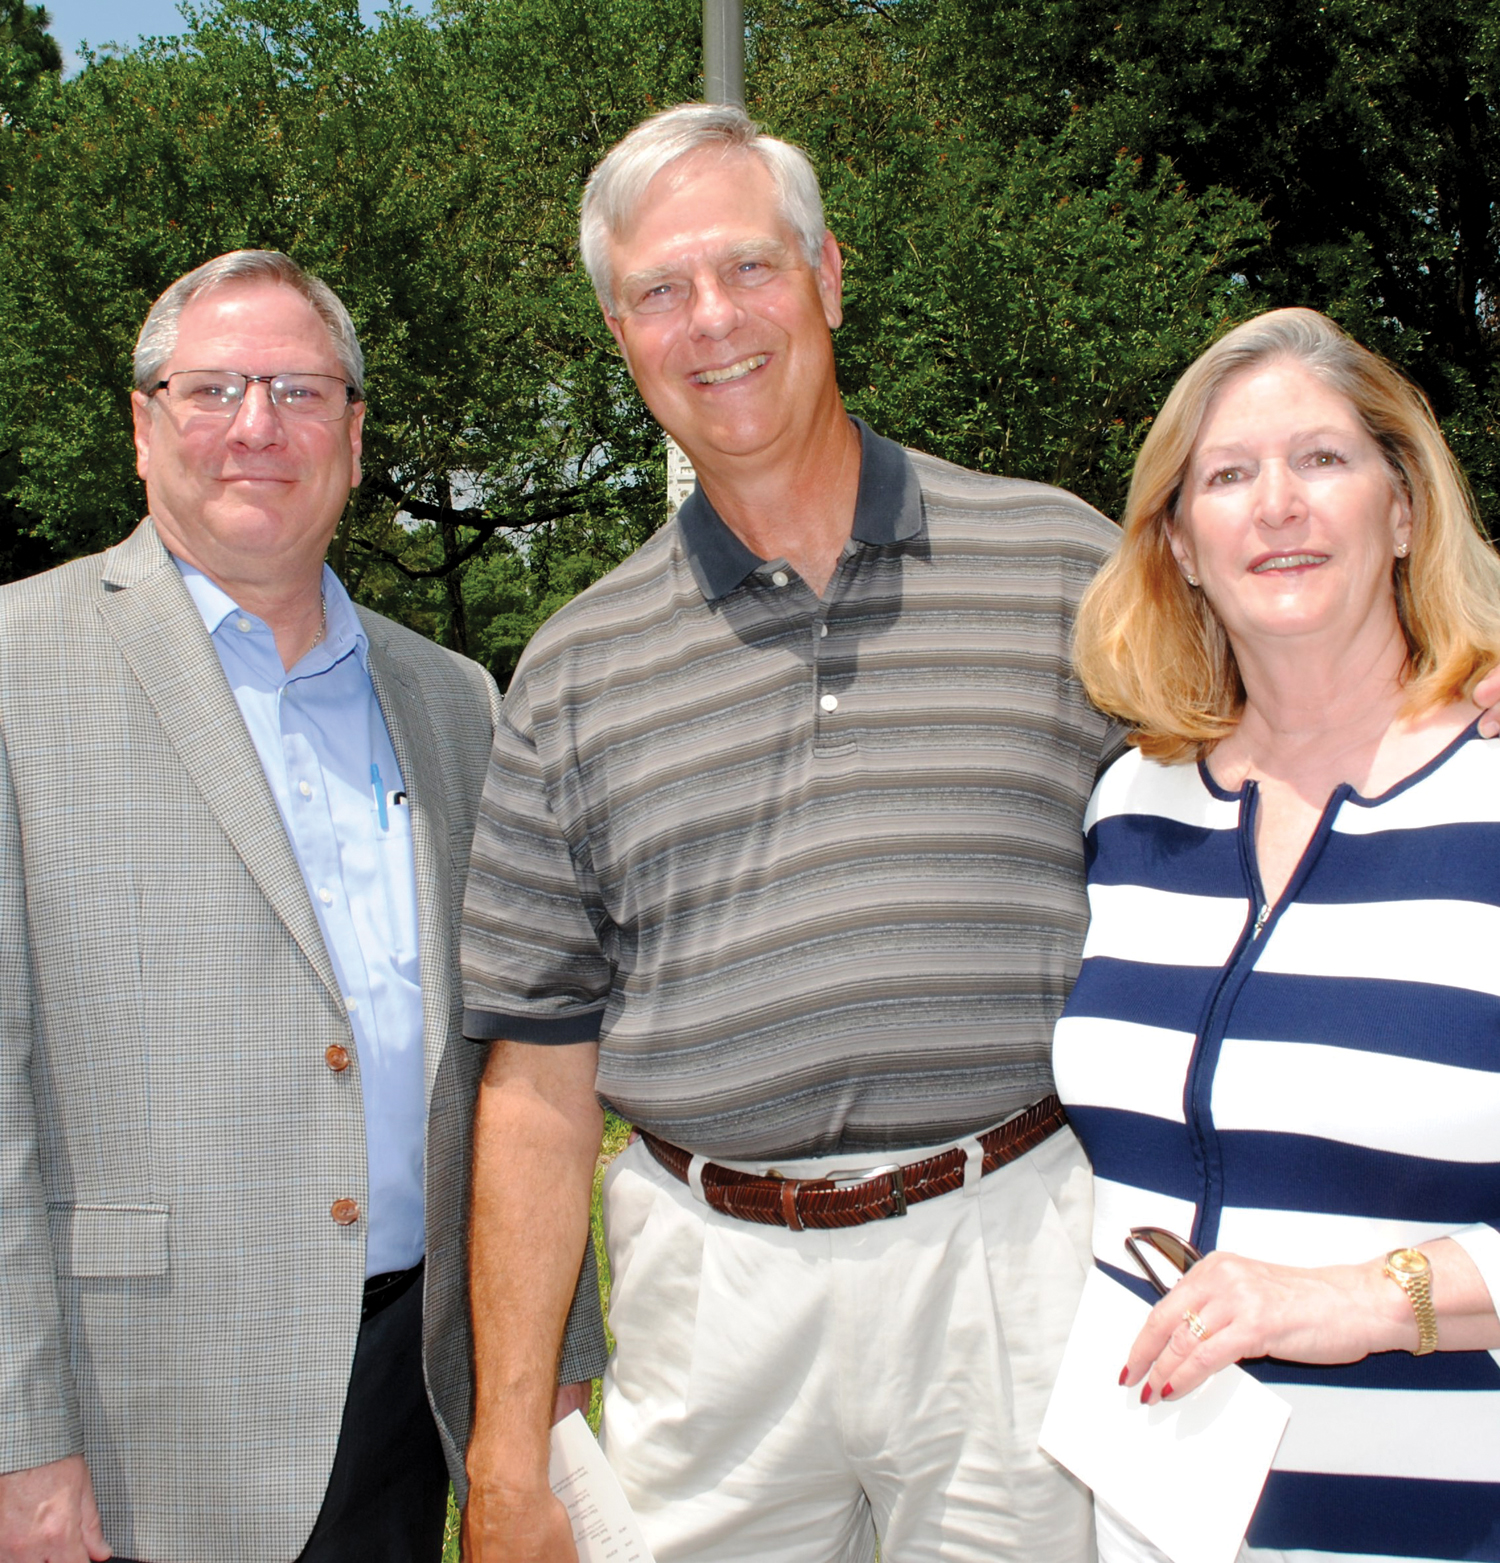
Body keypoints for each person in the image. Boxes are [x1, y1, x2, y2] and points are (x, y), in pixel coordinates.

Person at [459, 102, 1118, 1563]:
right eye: (659, 292)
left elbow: (1269, 782)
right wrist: (510, 1447)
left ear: (828, 275)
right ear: (620, 335)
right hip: (716, 1300)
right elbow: (536, 1085)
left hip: (1016, 1261)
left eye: (748, 268)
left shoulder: (1069, 565)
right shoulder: (570, 670)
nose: (714, 322)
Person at [0, 250, 604, 1563]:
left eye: (300, 390)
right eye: (212, 387)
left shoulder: (453, 700)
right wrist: (16, 1437)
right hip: (134, 1418)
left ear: (355, 430)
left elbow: (523, 1049)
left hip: (403, 1387)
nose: (257, 427)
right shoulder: (13, 666)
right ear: (144, 421)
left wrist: (556, 1352)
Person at [1058, 306, 1500, 1561]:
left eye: (1322, 460)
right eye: (1229, 476)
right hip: (1158, 1515)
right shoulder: (1133, 806)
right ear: (1182, 546)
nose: (1278, 506)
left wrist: (1354, 1301)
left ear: (1403, 509)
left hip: (1443, 1518)